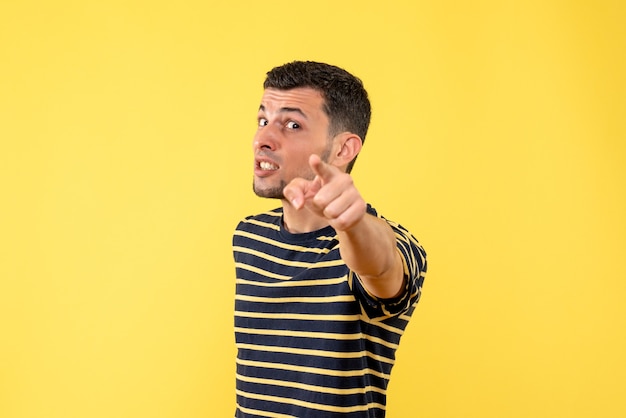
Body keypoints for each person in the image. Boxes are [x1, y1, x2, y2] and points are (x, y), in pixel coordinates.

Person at [232, 61, 427, 418]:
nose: (262, 139)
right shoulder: (248, 238)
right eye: (263, 121)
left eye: (292, 125)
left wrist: (352, 224)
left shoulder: (392, 243)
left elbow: (381, 265)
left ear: (342, 150)